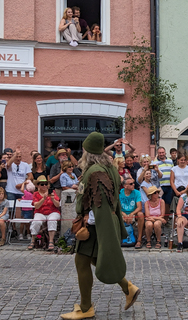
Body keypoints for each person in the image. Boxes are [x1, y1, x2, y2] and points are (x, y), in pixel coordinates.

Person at [61, 132, 140, 320]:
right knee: (98, 260)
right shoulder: (109, 166)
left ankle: (86, 308)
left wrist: (90, 222)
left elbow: (102, 202)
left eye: (84, 149)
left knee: (82, 262)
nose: (82, 152)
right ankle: (128, 288)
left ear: (88, 151)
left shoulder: (95, 171)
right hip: (100, 221)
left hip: (96, 225)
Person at [28, 176, 61, 251]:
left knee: (52, 220)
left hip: (52, 212)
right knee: (36, 222)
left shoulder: (52, 192)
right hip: (40, 212)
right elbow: (36, 206)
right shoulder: (36, 194)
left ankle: (51, 241)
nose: (44, 186)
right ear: (38, 185)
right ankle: (33, 240)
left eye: (46, 184)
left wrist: (53, 199)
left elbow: (57, 205)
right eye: (42, 184)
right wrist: (43, 199)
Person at [119, 178, 145, 249]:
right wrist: (123, 214)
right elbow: (116, 207)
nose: (133, 184)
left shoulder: (137, 192)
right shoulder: (119, 193)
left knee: (140, 214)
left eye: (133, 183)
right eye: (131, 184)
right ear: (125, 186)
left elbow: (139, 207)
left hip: (133, 214)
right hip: (122, 213)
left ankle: (139, 240)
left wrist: (132, 214)